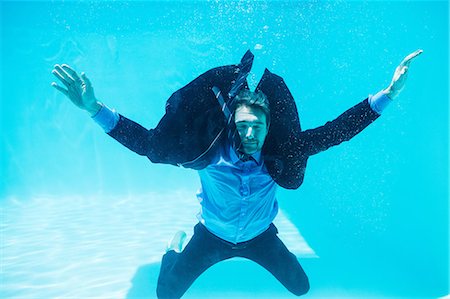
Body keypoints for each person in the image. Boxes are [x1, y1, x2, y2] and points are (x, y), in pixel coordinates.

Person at [51, 49, 423, 298]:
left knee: (301, 287)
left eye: (256, 127)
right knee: (166, 294)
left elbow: (335, 131)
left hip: (261, 238)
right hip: (211, 237)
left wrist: (388, 93)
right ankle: (171, 249)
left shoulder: (280, 153)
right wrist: (93, 108)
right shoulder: (211, 153)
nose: (249, 134)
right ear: (233, 126)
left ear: (267, 126)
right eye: (243, 126)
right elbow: (148, 144)